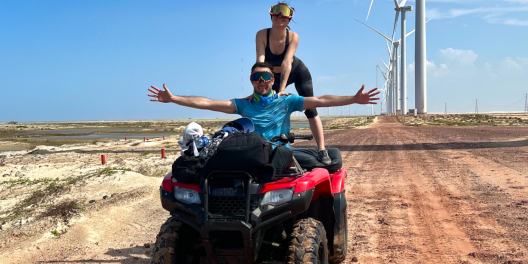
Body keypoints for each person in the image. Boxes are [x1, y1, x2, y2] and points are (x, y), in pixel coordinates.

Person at [148, 63, 378, 169]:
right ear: (251, 81)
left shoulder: (286, 101)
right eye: (256, 78)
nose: (261, 82)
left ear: (272, 79)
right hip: (248, 158)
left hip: (279, 157)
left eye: (265, 76)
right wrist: (174, 98)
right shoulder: (243, 105)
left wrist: (353, 99)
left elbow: (320, 101)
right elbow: (208, 103)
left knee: (322, 171)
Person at [255, 2, 330, 164]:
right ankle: (267, 149)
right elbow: (260, 64)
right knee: (266, 107)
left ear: (289, 20)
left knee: (310, 109)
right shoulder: (261, 35)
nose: (279, 17)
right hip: (271, 75)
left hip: (296, 71)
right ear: (271, 16)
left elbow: (286, 63)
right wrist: (257, 91)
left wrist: (281, 90)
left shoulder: (293, 37)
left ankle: (322, 150)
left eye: (284, 15)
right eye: (276, 13)